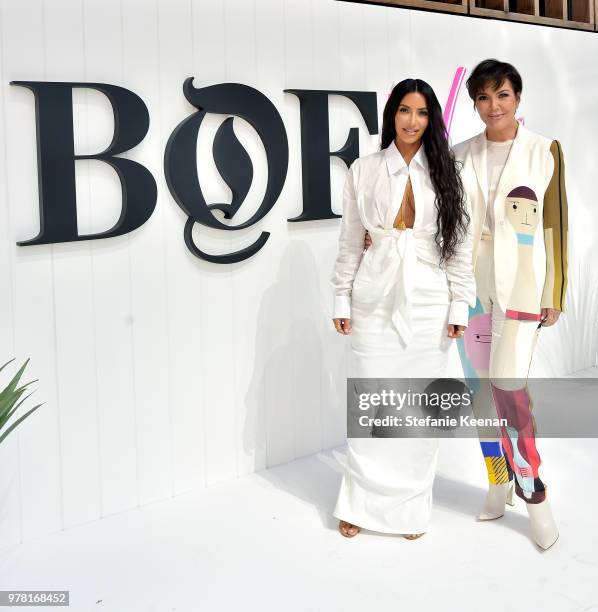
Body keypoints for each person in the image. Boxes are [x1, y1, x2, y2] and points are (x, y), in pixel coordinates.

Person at [330, 78, 475, 539]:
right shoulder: (365, 169)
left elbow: (459, 247)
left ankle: (409, 506)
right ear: (391, 114)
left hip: (430, 296)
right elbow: (351, 240)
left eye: (423, 113)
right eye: (405, 111)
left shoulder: (447, 171)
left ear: (432, 120)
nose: (412, 121)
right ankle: (361, 502)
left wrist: (459, 305)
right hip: (374, 293)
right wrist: (341, 294)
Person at [452, 59, 568, 550]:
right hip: (471, 288)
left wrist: (554, 292)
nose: (492, 106)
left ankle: (534, 492)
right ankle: (498, 480)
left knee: (511, 391)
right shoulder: (459, 154)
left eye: (501, 95)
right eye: (482, 97)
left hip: (522, 287)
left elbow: (555, 227)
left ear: (517, 98)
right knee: (481, 394)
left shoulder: (545, 151)